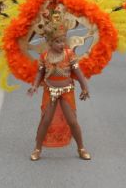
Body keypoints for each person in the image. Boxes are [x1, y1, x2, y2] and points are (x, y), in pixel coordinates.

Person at [27, 24, 91, 161]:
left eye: (63, 41)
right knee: (45, 121)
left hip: (66, 92)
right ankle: (37, 148)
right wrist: (34, 86)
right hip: (49, 91)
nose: (62, 44)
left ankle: (81, 148)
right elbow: (40, 73)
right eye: (58, 41)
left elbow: (78, 73)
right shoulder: (44, 56)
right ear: (50, 42)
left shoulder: (69, 54)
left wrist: (84, 87)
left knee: (72, 121)